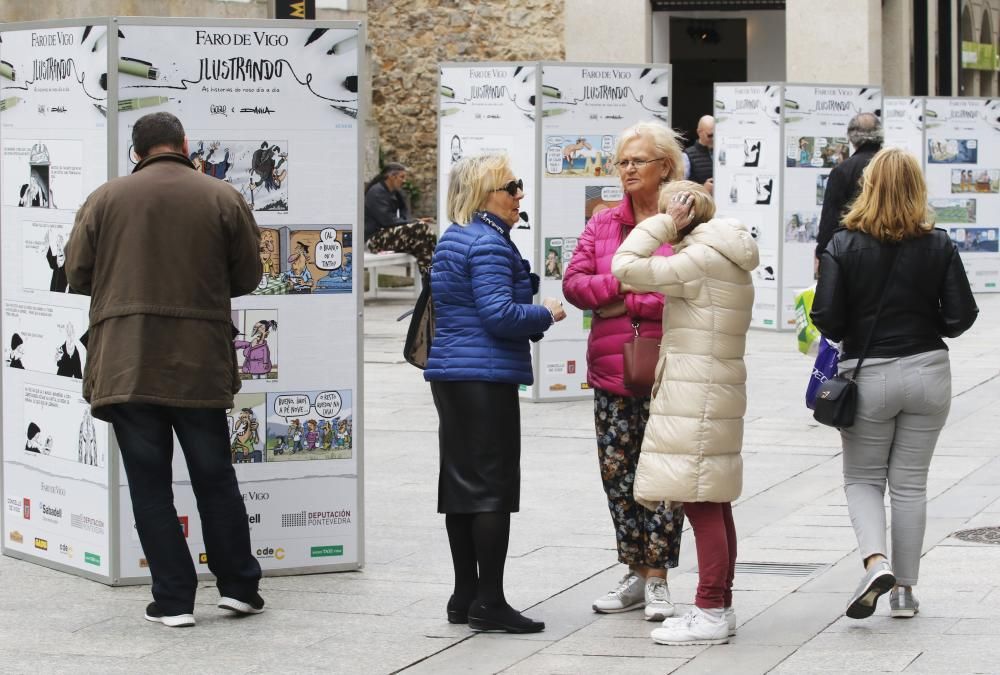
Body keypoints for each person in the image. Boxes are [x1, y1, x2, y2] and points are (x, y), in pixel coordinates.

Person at [65, 112, 265, 628]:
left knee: (148, 483)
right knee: (215, 476)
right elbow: (248, 274)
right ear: (184, 143)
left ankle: (174, 599)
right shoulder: (221, 197)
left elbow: (76, 271)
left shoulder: (105, 198)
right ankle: (239, 587)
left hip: (127, 361)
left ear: (136, 152)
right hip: (198, 359)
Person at [810, 148, 979, 621]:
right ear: (917, 190)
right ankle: (904, 592)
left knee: (863, 478)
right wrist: (930, 323)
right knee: (910, 486)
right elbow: (962, 315)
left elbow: (825, 316)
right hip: (928, 370)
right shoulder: (939, 243)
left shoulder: (842, 245)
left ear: (868, 186)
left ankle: (875, 563)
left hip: (869, 374)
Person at [424, 153, 566, 634]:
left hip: (452, 376)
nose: (519, 195)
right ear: (487, 192)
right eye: (512, 187)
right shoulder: (487, 244)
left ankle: (464, 596)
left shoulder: (454, 237)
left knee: (461, 488)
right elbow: (500, 315)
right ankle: (490, 601)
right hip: (483, 378)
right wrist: (546, 312)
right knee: (491, 492)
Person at [612, 180, 758, 646]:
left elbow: (625, 267)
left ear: (683, 212)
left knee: (701, 503)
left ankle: (711, 608)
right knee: (714, 500)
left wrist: (660, 224)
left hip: (696, 394)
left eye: (667, 210)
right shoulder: (724, 253)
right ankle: (721, 605)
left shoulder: (699, 259)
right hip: (713, 389)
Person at [563, 121, 686, 623]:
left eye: (638, 160)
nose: (628, 169)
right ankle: (634, 569)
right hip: (612, 371)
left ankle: (658, 577)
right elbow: (574, 284)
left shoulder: (683, 223)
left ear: (665, 166)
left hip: (667, 369)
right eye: (623, 162)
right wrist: (627, 293)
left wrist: (619, 296)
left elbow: (680, 287)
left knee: (662, 474)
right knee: (618, 474)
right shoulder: (603, 223)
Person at [814, 112, 883, 266]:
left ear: (852, 137)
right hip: (895, 252)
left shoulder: (843, 170)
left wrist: (821, 254)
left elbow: (830, 219)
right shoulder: (896, 166)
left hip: (853, 256)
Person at [364, 162, 437, 274]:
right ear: (391, 177)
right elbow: (388, 221)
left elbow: (405, 215)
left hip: (390, 235)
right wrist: (416, 222)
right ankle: (432, 280)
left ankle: (430, 281)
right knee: (421, 229)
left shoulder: (396, 193)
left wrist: (414, 221)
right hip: (375, 240)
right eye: (401, 177)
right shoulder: (376, 192)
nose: (404, 180)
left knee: (423, 244)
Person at [682, 115, 715, 195]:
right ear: (699, 132)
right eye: (710, 135)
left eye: (717, 134)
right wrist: (703, 189)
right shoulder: (686, 156)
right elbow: (679, 188)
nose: (714, 138)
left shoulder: (724, 151)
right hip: (702, 205)